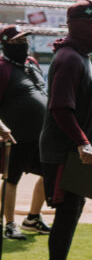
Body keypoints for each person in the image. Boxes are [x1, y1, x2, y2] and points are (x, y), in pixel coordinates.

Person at [36, 0, 92, 260]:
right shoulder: (68, 59)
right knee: (66, 215)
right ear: (82, 25)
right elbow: (60, 108)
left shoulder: (79, 56)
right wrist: (82, 141)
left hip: (76, 152)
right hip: (66, 152)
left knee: (72, 213)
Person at [0, 26, 50, 241]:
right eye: (17, 42)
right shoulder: (2, 68)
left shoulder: (32, 63)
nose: (23, 45)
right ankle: (10, 224)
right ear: (5, 44)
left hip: (43, 133)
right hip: (15, 134)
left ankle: (32, 217)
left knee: (51, 172)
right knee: (12, 178)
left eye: (24, 41)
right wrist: (1, 127)